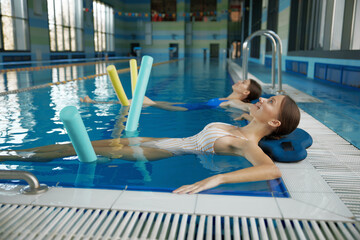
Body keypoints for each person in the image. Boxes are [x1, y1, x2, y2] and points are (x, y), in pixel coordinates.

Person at [1, 95, 300, 194]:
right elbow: (235, 100)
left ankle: (9, 158)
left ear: (274, 123)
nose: (262, 99)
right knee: (78, 142)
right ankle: (8, 154)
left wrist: (217, 178)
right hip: (154, 139)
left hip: (163, 151)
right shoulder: (242, 120)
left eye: (270, 102)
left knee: (75, 151)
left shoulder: (247, 143)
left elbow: (270, 170)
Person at [80, 79, 262, 112]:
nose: (239, 81)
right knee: (137, 101)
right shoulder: (228, 99)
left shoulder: (233, 104)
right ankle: (96, 101)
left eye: (243, 83)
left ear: (245, 93)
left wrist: (253, 108)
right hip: (185, 104)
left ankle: (95, 102)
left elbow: (247, 107)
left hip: (182, 109)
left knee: (139, 101)